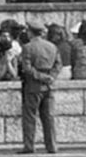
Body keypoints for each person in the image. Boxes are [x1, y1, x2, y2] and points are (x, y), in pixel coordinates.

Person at [19, 21, 62, 154]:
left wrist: (41, 77)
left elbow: (27, 69)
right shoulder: (52, 46)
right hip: (49, 85)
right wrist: (51, 77)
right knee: (49, 117)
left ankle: (29, 146)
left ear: (30, 32)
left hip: (33, 85)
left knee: (30, 117)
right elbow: (58, 65)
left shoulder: (28, 47)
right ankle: (52, 146)